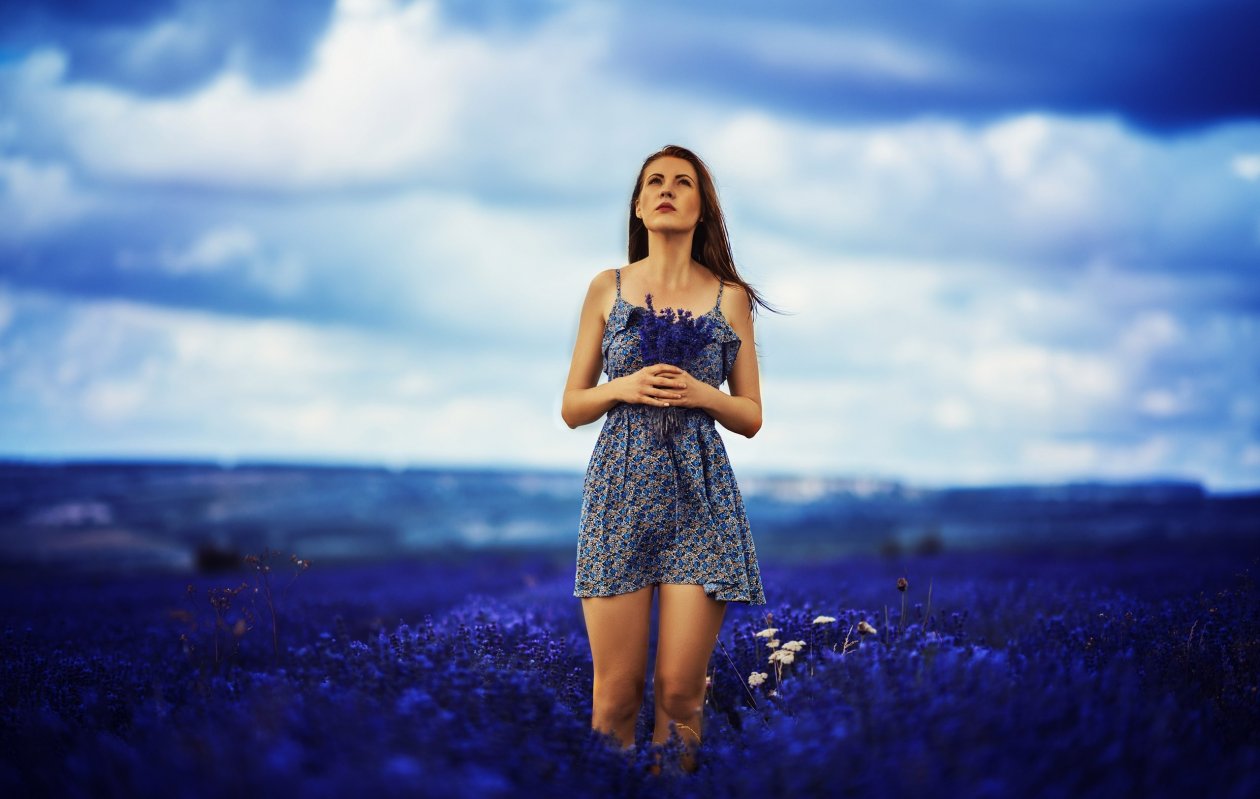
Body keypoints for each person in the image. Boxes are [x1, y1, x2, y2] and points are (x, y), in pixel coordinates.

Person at [561, 144, 770, 773]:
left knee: (681, 696)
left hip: (700, 500)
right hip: (619, 495)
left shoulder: (730, 297)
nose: (666, 190)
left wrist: (705, 394)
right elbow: (572, 405)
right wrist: (622, 387)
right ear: (638, 205)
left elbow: (752, 415)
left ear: (702, 207)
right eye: (654, 182)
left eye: (683, 183)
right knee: (615, 698)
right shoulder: (609, 286)